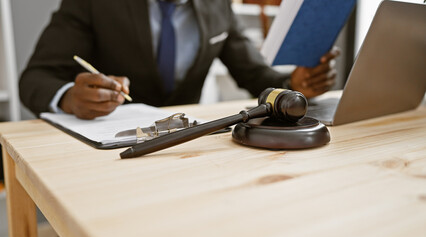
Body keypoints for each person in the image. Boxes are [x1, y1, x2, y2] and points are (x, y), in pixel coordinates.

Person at [19, 0, 338, 120]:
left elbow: (254, 75)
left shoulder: (218, 6)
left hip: (184, 146)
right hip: (106, 151)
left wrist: (293, 86)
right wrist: (70, 99)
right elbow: (35, 78)